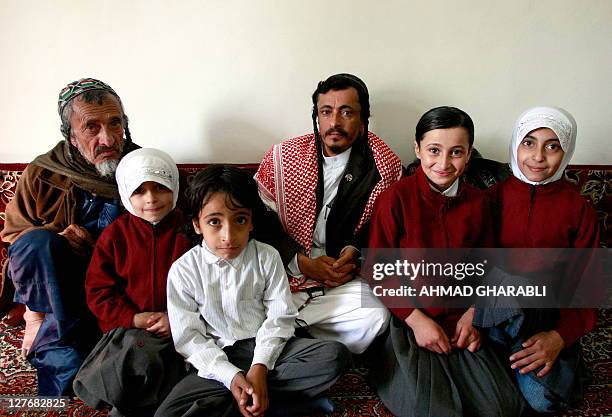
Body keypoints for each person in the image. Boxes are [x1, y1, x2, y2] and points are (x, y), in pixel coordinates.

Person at [366, 106, 524, 417]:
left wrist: (475, 314)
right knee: (432, 408)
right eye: (434, 150)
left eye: (456, 152)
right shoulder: (394, 199)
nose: (443, 163)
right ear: (417, 149)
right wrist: (416, 321)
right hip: (410, 322)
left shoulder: (479, 203)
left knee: (503, 407)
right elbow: (378, 270)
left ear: (468, 156)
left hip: (462, 321)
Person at [156, 166, 350, 417]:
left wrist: (259, 366)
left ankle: (245, 396)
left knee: (335, 356)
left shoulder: (267, 256)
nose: (228, 235)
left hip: (269, 351)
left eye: (240, 220)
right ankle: (270, 399)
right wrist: (230, 375)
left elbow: (279, 317)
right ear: (196, 224)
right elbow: (190, 339)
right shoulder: (183, 270)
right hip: (220, 357)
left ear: (251, 222)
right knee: (169, 412)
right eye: (214, 222)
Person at [0, 78, 139, 395]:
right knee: (66, 376)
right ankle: (46, 329)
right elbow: (15, 238)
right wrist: (57, 236)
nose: (107, 138)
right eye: (92, 127)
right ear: (71, 136)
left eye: (115, 124)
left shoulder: (142, 169)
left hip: (117, 290)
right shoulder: (43, 172)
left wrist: (102, 251)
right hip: (61, 297)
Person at [254, 73, 403, 354]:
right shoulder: (284, 157)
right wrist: (299, 262)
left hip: (337, 281)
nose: (334, 122)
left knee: (376, 314)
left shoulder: (383, 167)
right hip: (281, 273)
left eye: (346, 112)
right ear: (317, 117)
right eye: (326, 112)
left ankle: (285, 335)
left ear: (363, 120)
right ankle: (300, 338)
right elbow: (260, 223)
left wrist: (352, 253)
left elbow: (379, 231)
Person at [475, 106, 600, 413]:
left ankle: (562, 364)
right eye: (529, 143)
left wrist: (559, 337)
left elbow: (590, 285)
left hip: (545, 321)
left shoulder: (579, 209)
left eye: (552, 146)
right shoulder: (491, 200)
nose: (538, 157)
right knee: (488, 398)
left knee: (543, 401)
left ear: (566, 151)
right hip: (494, 318)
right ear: (516, 144)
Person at [73, 148, 190, 417]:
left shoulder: (190, 230)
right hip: (129, 327)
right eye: (139, 191)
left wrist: (176, 318)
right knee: (134, 352)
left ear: (174, 184)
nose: (151, 199)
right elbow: (99, 291)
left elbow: (210, 283)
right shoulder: (116, 236)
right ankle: (126, 404)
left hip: (182, 325)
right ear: (126, 193)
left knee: (163, 358)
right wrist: (133, 318)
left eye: (160, 187)